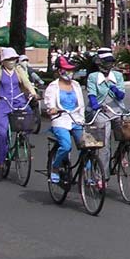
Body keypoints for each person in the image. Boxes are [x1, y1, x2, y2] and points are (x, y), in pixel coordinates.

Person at [0, 47, 38, 177]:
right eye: (8, 59)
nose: (11, 61)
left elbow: (26, 83)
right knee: (3, 134)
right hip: (2, 102)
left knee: (30, 117)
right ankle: (1, 163)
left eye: (13, 59)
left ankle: (22, 139)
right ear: (3, 60)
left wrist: (33, 93)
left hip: (18, 101)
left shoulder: (19, 70)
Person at [43, 56, 85, 184]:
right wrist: (52, 109)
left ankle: (89, 173)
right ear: (59, 71)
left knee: (88, 146)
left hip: (76, 119)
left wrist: (83, 120)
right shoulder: (53, 86)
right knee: (66, 146)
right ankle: (55, 168)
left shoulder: (76, 85)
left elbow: (81, 104)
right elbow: (49, 103)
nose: (69, 73)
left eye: (71, 70)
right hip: (60, 120)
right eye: (66, 70)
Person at [86, 48, 126, 178]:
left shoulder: (117, 76)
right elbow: (92, 95)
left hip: (116, 109)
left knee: (128, 133)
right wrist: (95, 105)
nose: (109, 65)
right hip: (100, 111)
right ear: (100, 63)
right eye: (107, 62)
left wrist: (113, 87)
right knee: (104, 143)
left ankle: (121, 156)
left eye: (111, 62)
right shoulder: (93, 77)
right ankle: (101, 175)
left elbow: (121, 96)